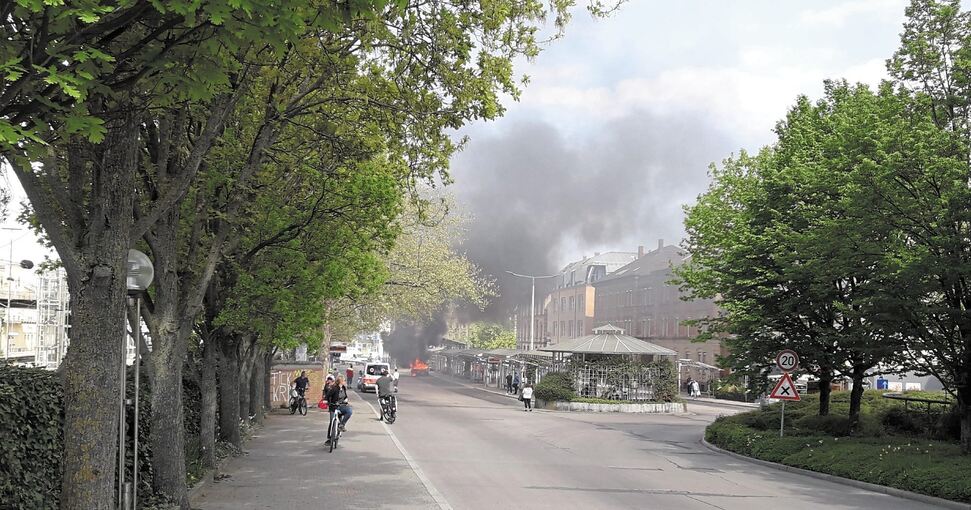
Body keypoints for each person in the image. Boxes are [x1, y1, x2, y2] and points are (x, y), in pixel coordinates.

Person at [324, 375, 352, 446]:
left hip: (342, 406)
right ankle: (329, 438)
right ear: (341, 381)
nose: (345, 382)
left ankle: (341, 425)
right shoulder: (334, 388)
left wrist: (346, 400)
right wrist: (326, 401)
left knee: (349, 411)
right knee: (332, 421)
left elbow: (345, 397)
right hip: (334, 407)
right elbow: (327, 396)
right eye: (344, 380)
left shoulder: (343, 388)